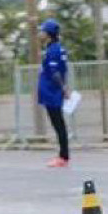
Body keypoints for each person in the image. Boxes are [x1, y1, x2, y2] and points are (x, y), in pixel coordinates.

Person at [37, 19, 71, 168]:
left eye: (42, 31)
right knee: (58, 124)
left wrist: (63, 89)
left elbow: (55, 72)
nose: (40, 34)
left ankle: (63, 156)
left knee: (58, 124)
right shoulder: (56, 48)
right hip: (52, 91)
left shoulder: (53, 50)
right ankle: (63, 155)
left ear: (49, 34)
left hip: (52, 92)